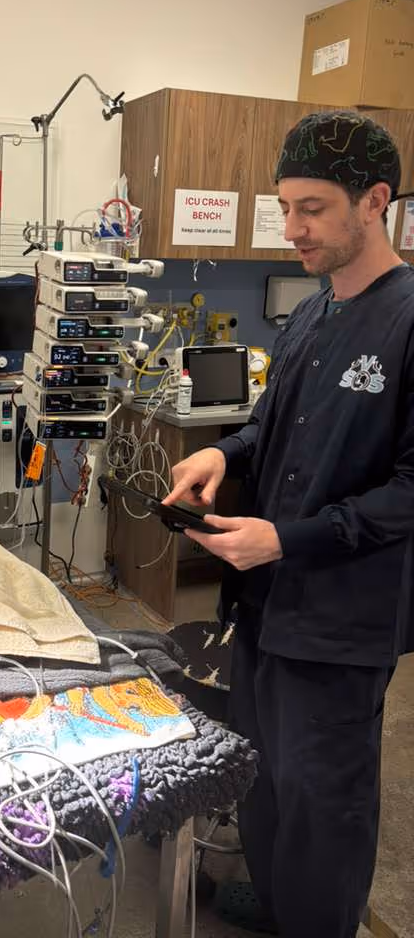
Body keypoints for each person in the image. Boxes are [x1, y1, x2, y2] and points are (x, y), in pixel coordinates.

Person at [163, 110, 414, 938]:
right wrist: (225, 458)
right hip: (264, 600)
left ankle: (317, 923)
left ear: (374, 201)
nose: (291, 229)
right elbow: (269, 424)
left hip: (343, 617)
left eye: (312, 209)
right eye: (285, 208)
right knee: (263, 771)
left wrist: (289, 538)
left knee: (324, 794)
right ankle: (276, 904)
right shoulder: (313, 314)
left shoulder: (409, 320)